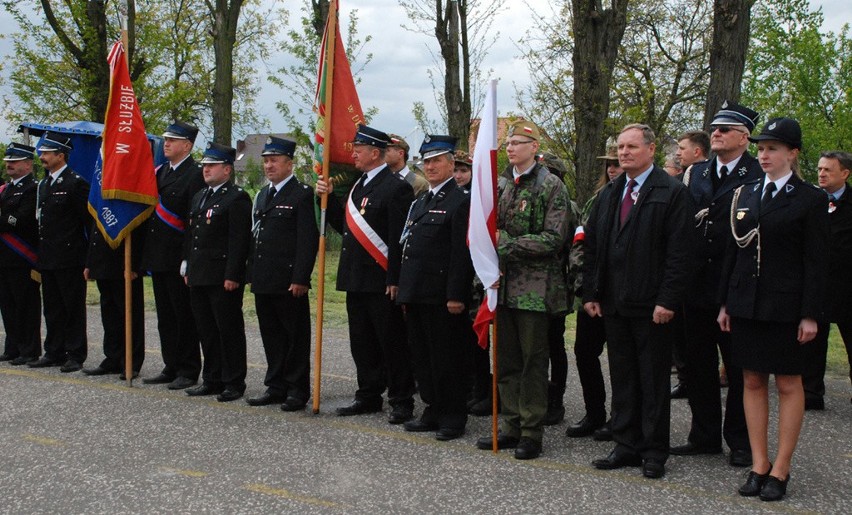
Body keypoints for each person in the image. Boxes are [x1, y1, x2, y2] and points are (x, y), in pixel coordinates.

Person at [718, 118, 828, 501]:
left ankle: (781, 469)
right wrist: (726, 303)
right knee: (750, 380)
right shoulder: (745, 194)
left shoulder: (811, 199)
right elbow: (734, 253)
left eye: (773, 149)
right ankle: (758, 464)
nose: (764, 155)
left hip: (788, 307)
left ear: (792, 153)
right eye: (761, 148)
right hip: (747, 303)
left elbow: (817, 262)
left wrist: (811, 313)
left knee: (787, 383)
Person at [583, 123, 694, 479]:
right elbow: (595, 246)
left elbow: (680, 253)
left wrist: (668, 300)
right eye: (620, 147)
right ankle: (626, 444)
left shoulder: (671, 192)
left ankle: (653, 450)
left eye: (631, 146)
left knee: (653, 379)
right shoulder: (611, 192)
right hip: (615, 303)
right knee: (623, 376)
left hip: (652, 306)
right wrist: (592, 293)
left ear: (651, 149)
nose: (624, 152)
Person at [672, 102, 762, 468]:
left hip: (736, 284)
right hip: (697, 286)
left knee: (740, 368)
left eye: (726, 129)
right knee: (697, 364)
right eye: (715, 128)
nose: (717, 133)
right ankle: (704, 434)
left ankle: (739, 440)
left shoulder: (756, 174)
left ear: (744, 137)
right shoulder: (696, 173)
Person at [474, 120, 570, 460]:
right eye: (509, 142)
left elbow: (554, 238)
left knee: (532, 361)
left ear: (534, 147)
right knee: (506, 360)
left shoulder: (550, 186)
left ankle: (532, 430)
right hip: (503, 284)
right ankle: (510, 425)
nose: (511, 148)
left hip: (536, 289)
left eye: (517, 142)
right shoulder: (501, 185)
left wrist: (507, 244)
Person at [315, 124, 416, 424]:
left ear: (376, 153)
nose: (353, 153)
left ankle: (401, 400)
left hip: (381, 279)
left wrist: (395, 278)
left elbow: (399, 239)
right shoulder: (359, 185)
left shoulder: (397, 187)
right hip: (355, 278)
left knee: (392, 343)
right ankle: (368, 394)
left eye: (358, 149)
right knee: (362, 341)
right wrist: (330, 198)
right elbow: (343, 227)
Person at [398, 135, 473, 440]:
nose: (430, 167)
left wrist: (456, 294)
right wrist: (404, 290)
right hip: (417, 292)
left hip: (442, 296)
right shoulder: (421, 201)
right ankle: (432, 408)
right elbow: (408, 248)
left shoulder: (461, 201)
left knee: (447, 358)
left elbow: (460, 253)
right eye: (426, 161)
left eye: (437, 161)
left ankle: (453, 415)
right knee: (423, 357)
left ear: (451, 164)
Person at [246, 136, 318, 411]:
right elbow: (257, 237)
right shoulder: (264, 194)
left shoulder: (301, 194)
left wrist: (300, 277)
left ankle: (297, 389)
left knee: (294, 337)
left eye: (274, 160)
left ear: (290, 163)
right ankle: (275, 385)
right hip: (265, 278)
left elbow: (306, 241)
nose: (268, 166)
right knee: (271, 336)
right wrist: (251, 272)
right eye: (265, 161)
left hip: (289, 280)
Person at [183, 143, 252, 402]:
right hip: (200, 273)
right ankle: (212, 377)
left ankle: (233, 381)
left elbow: (239, 241)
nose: (206, 170)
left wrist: (233, 274)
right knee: (206, 330)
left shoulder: (236, 197)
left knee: (228, 330)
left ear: (227, 169)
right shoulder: (200, 196)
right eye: (204, 165)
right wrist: (187, 264)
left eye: (211, 166)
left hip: (222, 276)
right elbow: (193, 235)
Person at [141, 120, 206, 390]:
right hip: (158, 256)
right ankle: (171, 364)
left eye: (172, 140)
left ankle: (188, 369)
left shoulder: (196, 174)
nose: (166, 143)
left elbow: (194, 222)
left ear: (187, 145)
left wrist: (187, 259)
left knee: (183, 316)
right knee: (165, 316)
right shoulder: (160, 172)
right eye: (166, 139)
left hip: (178, 256)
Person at [565, 144, 622, 441]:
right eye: (609, 164)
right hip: (592, 291)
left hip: (621, 294)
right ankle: (594, 412)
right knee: (585, 352)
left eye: (617, 164)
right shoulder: (596, 200)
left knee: (620, 360)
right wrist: (584, 285)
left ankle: (620, 418)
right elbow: (581, 242)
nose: (613, 169)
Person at [29, 132, 90, 373]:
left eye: (47, 153)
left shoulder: (75, 183)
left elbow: (86, 222)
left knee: (72, 307)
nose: (42, 157)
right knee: (52, 306)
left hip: (69, 256)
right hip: (48, 255)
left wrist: (85, 257)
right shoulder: (44, 184)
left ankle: (75, 354)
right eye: (42, 153)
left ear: (61, 156)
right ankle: (54, 350)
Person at [805, 151, 852, 408]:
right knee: (813, 340)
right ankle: (811, 394)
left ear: (845, 173)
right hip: (818, 284)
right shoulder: (811, 200)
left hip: (847, 285)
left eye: (828, 170)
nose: (821, 174)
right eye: (820, 169)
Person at [82, 226, 145, 379]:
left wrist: (133, 264)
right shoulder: (101, 201)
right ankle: (113, 357)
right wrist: (90, 262)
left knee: (130, 314)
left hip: (123, 262)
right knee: (109, 314)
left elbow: (137, 229)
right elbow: (95, 229)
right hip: (103, 261)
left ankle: (132, 362)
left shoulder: (129, 201)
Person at [0, 143, 41, 365]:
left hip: (22, 257)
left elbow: (22, 221)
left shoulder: (33, 188)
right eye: (8, 161)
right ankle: (13, 347)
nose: (10, 165)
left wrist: (5, 220)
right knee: (7, 305)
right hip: (4, 257)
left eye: (14, 161)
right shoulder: (6, 189)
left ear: (27, 164)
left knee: (25, 305)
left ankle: (29, 349)